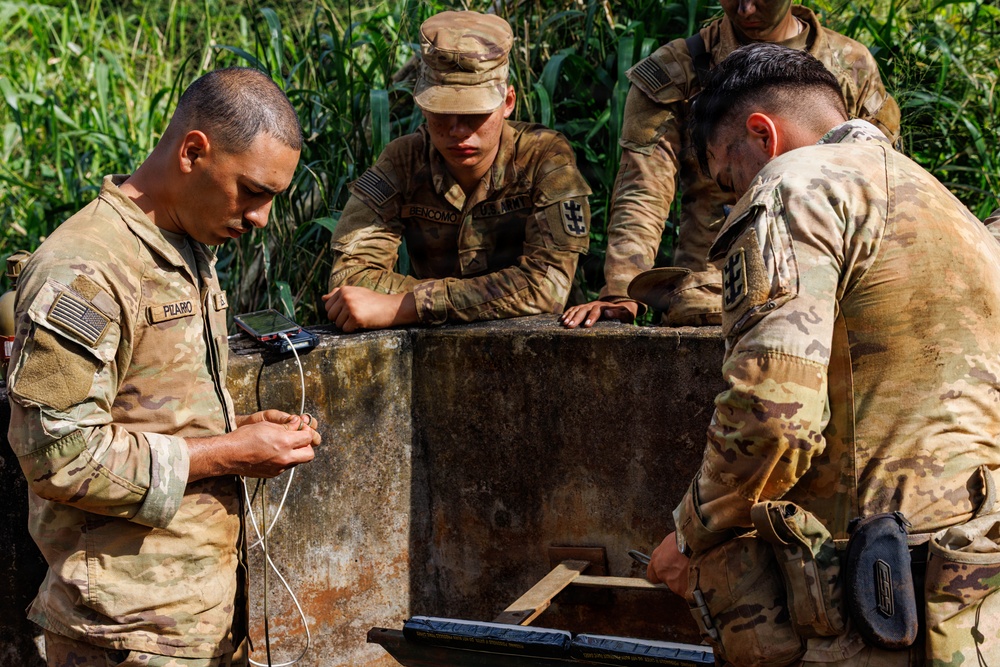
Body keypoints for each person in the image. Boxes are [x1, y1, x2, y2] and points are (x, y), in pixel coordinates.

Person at [644, 44, 1000, 664]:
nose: (736, 196)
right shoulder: (949, 206)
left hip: (874, 592)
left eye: (732, 177)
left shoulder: (797, 181)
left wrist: (692, 531)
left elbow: (772, 413)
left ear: (762, 134)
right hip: (968, 593)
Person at [5, 67, 321, 666]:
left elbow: (142, 404)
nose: (261, 218)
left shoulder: (186, 239)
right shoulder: (85, 270)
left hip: (195, 623)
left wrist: (240, 430)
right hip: (122, 634)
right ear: (193, 151)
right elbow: (58, 456)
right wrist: (228, 454)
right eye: (252, 191)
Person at [561, 0, 900, 329]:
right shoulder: (677, 70)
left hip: (826, 275)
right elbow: (643, 189)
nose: (745, 9)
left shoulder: (850, 66)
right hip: (713, 288)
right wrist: (621, 292)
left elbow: (883, 180)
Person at [324, 10, 591, 331]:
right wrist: (491, 296)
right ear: (422, 105)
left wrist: (407, 306)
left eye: (475, 112)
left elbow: (546, 287)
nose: (458, 129)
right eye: (443, 110)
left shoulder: (544, 156)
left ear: (508, 102)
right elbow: (349, 280)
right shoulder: (402, 161)